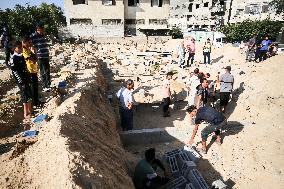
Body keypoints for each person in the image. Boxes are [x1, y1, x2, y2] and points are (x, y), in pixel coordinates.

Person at [7, 41, 32, 120]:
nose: (21, 49)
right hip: (21, 80)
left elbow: (25, 67)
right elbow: (15, 72)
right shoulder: (13, 58)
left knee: (29, 93)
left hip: (26, 77)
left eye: (21, 47)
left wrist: (28, 75)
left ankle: (30, 110)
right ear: (15, 48)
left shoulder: (21, 56)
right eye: (19, 47)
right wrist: (21, 81)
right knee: (24, 95)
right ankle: (26, 112)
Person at [31, 23, 50, 90]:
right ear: (38, 29)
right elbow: (30, 45)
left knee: (47, 70)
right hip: (40, 56)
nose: (43, 30)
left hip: (46, 55)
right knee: (43, 71)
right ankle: (45, 86)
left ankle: (48, 84)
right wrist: (34, 53)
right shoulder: (33, 36)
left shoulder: (43, 35)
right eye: (42, 29)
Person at [22, 36, 40, 107]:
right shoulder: (24, 51)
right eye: (29, 42)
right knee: (33, 88)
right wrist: (35, 56)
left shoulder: (28, 49)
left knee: (35, 87)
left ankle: (37, 101)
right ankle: (35, 103)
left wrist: (34, 51)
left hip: (34, 70)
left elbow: (36, 58)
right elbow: (34, 60)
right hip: (30, 71)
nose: (30, 44)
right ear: (24, 42)